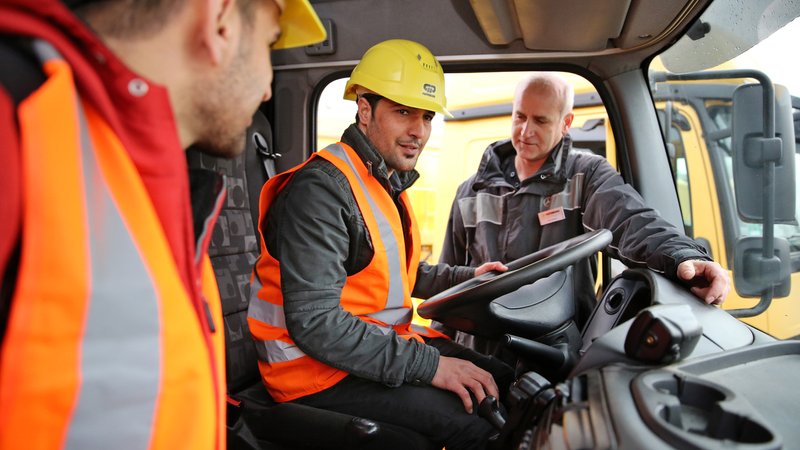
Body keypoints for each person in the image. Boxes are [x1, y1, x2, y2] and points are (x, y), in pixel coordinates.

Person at [0, 0, 325, 449]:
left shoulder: (140, 171)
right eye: (269, 46)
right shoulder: (16, 125)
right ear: (220, 22)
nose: (269, 89)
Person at [247, 39, 514, 449]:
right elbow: (317, 324)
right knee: (481, 423)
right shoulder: (322, 191)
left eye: (426, 116)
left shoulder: (383, 180)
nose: (419, 131)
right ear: (366, 110)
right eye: (404, 112)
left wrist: (468, 277)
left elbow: (393, 272)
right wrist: (431, 367)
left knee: (507, 379)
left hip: (366, 350)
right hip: (312, 374)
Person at [437, 72, 731, 355]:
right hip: (478, 351)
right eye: (520, 116)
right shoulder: (471, 191)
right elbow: (449, 281)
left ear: (566, 123)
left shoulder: (585, 176)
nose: (526, 131)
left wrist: (682, 255)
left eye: (540, 120)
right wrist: (440, 351)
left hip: (555, 348)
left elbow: (630, 219)